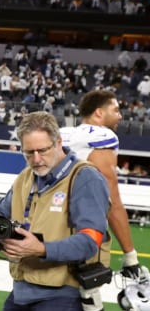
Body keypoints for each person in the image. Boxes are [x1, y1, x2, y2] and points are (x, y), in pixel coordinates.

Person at [0, 112, 110, 311]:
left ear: (58, 142)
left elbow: (90, 242)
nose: (36, 159)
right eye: (29, 153)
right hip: (21, 290)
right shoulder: (26, 176)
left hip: (63, 294)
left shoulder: (84, 177)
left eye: (42, 150)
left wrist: (41, 249)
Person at [59, 90, 142, 279]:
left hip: (48, 226)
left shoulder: (62, 134)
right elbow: (111, 199)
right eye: (116, 110)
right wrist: (130, 255)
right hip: (82, 231)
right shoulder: (102, 136)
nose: (120, 116)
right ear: (99, 113)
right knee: (84, 299)